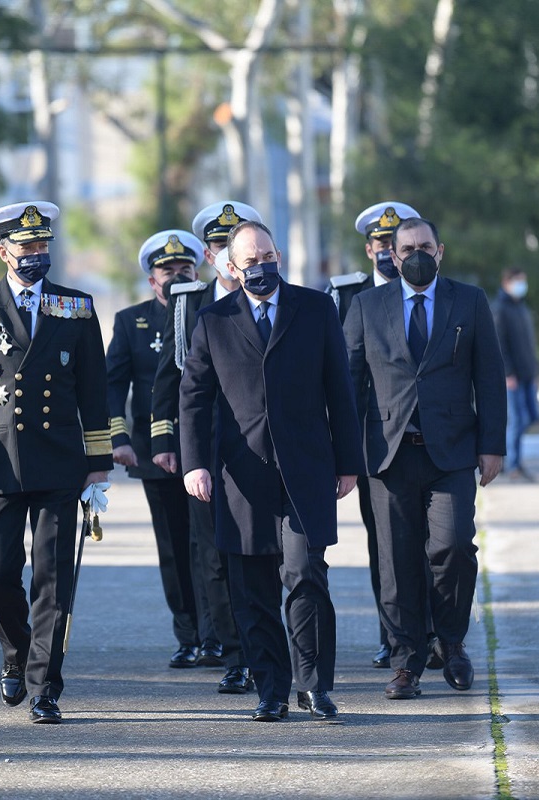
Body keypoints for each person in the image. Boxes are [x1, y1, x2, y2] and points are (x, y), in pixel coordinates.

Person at [0, 201, 112, 724]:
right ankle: (16, 653)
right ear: (3, 252)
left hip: (59, 461)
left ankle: (44, 686)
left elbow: (93, 388)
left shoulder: (76, 306)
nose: (36, 253)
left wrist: (98, 461)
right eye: (26, 246)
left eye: (42, 244)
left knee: (53, 577)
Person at [178, 220, 364, 722]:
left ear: (278, 255)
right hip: (243, 477)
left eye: (267, 256)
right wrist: (194, 464)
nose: (261, 267)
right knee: (253, 588)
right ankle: (272, 690)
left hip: (306, 469)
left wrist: (349, 463)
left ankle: (314, 686)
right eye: (250, 261)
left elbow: (340, 391)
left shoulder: (315, 308)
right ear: (231, 268)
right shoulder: (213, 321)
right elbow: (193, 399)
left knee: (305, 574)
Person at [343, 215, 506, 701]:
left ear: (440, 251)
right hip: (388, 456)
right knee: (396, 562)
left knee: (453, 547)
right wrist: (345, 455)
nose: (417, 255)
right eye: (407, 249)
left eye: (425, 247)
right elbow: (348, 383)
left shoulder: (469, 300)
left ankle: (451, 642)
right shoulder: (366, 306)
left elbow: (489, 375)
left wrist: (492, 445)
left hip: (451, 453)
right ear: (392, 257)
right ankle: (405, 663)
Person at [149, 201, 261, 696]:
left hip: (260, 447)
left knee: (264, 553)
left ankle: (264, 646)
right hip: (206, 447)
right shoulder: (188, 303)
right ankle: (234, 656)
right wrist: (168, 444)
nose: (227, 253)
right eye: (218, 245)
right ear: (212, 256)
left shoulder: (270, 295)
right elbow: (170, 380)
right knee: (212, 555)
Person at [325, 200, 420, 670]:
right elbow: (338, 375)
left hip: (428, 438)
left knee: (432, 543)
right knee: (384, 543)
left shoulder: (428, 288)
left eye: (392, 242)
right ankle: (393, 635)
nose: (386, 250)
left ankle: (432, 633)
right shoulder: (347, 296)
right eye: (379, 242)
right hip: (373, 444)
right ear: (369, 249)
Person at [107, 229, 205, 669]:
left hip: (207, 448)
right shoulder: (132, 321)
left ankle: (219, 635)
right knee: (175, 546)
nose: (177, 276)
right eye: (168, 270)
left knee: (211, 546)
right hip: (156, 453)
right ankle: (188, 635)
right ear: (152, 280)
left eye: (185, 268)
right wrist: (119, 438)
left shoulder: (211, 311)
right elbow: (114, 385)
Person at [493, 267, 539, 482]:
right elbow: (499, 344)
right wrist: (507, 373)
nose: (522, 286)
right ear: (507, 282)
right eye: (518, 281)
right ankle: (512, 464)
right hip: (512, 377)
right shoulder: (500, 309)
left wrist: (534, 371)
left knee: (531, 416)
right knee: (516, 419)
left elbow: (528, 344)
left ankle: (508, 457)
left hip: (528, 374)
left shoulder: (521, 307)